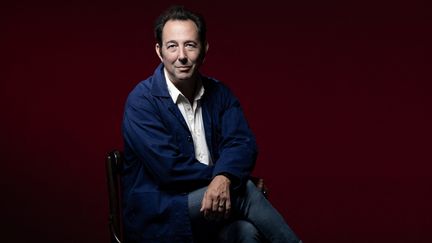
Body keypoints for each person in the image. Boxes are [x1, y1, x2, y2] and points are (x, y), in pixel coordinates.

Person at [121, 5, 301, 243]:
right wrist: (226, 178)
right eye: (172, 46)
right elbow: (170, 169)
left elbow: (242, 143)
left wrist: (225, 178)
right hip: (161, 212)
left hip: (209, 211)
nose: (181, 55)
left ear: (204, 49)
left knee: (246, 233)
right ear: (159, 51)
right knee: (243, 191)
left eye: (190, 45)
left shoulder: (220, 93)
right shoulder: (142, 101)